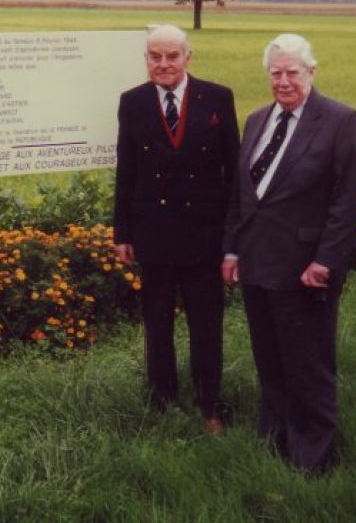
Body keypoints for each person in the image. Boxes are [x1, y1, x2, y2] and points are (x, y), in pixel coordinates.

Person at [222, 33, 356, 474]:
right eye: (276, 73)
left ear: (312, 72)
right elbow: (241, 194)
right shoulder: (256, 120)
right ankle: (275, 438)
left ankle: (312, 456)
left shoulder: (340, 121)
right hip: (257, 263)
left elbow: (350, 199)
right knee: (270, 358)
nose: (284, 81)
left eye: (293, 72)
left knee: (309, 363)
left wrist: (325, 261)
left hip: (306, 268)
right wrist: (231, 250)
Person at [114, 24, 240, 434]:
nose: (163, 64)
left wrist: (231, 241)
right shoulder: (132, 103)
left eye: (171, 56)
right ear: (147, 59)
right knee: (157, 323)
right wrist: (123, 233)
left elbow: (234, 172)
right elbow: (127, 170)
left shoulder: (218, 98)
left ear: (188, 57)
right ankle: (163, 402)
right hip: (154, 235)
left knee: (206, 325)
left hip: (205, 237)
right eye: (155, 56)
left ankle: (210, 406)